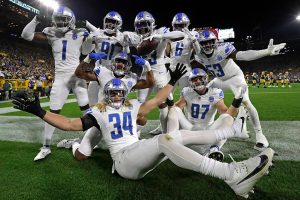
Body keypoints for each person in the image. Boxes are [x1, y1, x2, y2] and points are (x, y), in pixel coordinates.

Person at [12, 64, 274, 199]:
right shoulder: (99, 110)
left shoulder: (133, 104)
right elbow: (70, 123)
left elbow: (159, 98)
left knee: (175, 137)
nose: (115, 95)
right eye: (111, 92)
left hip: (136, 152)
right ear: (106, 93)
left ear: (124, 93)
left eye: (119, 92)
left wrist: (171, 80)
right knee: (163, 140)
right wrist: (39, 111)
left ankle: (224, 136)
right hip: (125, 161)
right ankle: (230, 174)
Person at [192, 29, 286, 151]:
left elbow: (243, 55)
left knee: (246, 102)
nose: (207, 45)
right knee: (200, 96)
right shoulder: (199, 55)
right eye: (204, 43)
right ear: (200, 44)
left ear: (214, 41)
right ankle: (205, 126)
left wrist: (266, 52)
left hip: (234, 78)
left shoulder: (223, 48)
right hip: (219, 80)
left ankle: (259, 134)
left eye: (209, 42)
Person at [21, 6, 93, 161]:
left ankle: (92, 141)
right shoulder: (50, 32)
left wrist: (89, 35)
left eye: (63, 20)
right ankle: (46, 147)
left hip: (77, 76)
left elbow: (87, 51)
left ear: (71, 21)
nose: (60, 23)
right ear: (54, 20)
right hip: (60, 77)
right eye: (58, 19)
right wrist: (37, 19)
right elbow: (25, 35)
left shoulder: (79, 32)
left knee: (87, 110)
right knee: (52, 113)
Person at [57, 51, 154, 150]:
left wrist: (147, 66)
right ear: (113, 63)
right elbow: (79, 73)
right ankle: (74, 143)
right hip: (101, 116)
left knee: (142, 119)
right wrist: (88, 58)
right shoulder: (103, 72)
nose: (120, 64)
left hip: (119, 117)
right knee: (82, 154)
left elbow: (150, 84)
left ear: (127, 65)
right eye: (118, 61)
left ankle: (130, 136)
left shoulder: (131, 79)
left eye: (123, 62)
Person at [167, 68, 248, 161]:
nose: (197, 81)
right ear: (190, 81)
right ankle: (170, 141)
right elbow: (175, 109)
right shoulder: (187, 92)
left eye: (200, 78)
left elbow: (226, 113)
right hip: (189, 128)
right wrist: (170, 101)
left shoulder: (215, 93)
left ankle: (215, 148)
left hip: (209, 130)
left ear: (206, 78)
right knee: (174, 111)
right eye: (194, 79)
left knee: (227, 118)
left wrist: (237, 101)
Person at [134, 11, 186, 134]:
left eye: (144, 24)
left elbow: (180, 35)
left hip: (161, 75)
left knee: (166, 106)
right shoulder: (137, 38)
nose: (142, 27)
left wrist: (162, 36)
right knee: (139, 106)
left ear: (151, 24)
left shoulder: (160, 33)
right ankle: (136, 132)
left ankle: (166, 132)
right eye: (139, 25)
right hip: (146, 74)